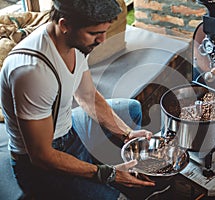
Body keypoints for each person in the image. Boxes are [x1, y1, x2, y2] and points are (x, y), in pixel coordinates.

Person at [0, 0, 156, 199]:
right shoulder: (32, 72)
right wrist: (108, 174)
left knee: (132, 109)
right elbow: (41, 156)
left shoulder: (74, 43)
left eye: (104, 31)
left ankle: (121, 170)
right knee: (113, 198)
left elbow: (87, 96)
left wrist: (126, 133)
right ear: (65, 25)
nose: (102, 40)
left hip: (68, 129)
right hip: (38, 164)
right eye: (94, 33)